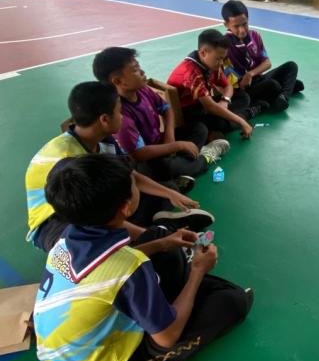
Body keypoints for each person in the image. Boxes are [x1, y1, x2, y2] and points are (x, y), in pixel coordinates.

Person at [34, 154, 253, 361]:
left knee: (158, 236)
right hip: (106, 358)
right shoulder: (129, 269)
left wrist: (164, 243)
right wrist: (198, 272)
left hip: (66, 348)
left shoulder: (66, 239)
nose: (137, 184)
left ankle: (175, 297)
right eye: (134, 184)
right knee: (232, 301)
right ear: (126, 206)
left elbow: (108, 270)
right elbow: (167, 337)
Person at [25, 82, 212, 252]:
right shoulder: (70, 161)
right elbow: (94, 216)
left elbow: (130, 174)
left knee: (164, 189)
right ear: (104, 119)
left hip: (91, 207)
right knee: (112, 247)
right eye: (119, 112)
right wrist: (156, 239)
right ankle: (157, 233)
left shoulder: (103, 140)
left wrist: (170, 194)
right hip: (57, 225)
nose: (122, 117)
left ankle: (160, 227)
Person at [93, 47, 230, 184]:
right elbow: (139, 154)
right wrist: (177, 146)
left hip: (160, 142)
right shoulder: (119, 112)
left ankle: (181, 169)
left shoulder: (143, 90)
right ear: (118, 81)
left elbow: (166, 109)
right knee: (164, 166)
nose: (142, 72)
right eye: (135, 69)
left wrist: (170, 137)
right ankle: (204, 159)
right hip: (145, 160)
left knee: (199, 129)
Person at [167, 29, 260, 140]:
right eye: (218, 59)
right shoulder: (191, 73)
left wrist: (224, 101)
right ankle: (245, 115)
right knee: (217, 123)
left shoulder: (211, 63)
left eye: (223, 59)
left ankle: (231, 120)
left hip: (204, 104)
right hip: (189, 112)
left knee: (242, 96)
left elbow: (228, 86)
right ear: (203, 53)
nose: (221, 63)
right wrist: (241, 122)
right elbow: (210, 107)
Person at [221, 0, 304, 112]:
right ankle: (285, 89)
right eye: (236, 26)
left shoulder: (255, 35)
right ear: (226, 24)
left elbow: (267, 63)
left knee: (291, 66)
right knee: (274, 85)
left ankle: (283, 96)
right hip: (243, 89)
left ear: (248, 19)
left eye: (244, 24)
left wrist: (250, 74)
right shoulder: (224, 45)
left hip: (258, 79)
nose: (242, 30)